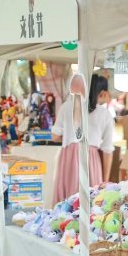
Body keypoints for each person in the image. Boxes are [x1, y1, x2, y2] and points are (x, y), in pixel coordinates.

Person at [51, 75, 115, 204]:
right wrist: (105, 180)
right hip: (91, 158)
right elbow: (108, 150)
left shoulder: (67, 106)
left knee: (67, 202)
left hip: (68, 156)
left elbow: (55, 136)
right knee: (90, 200)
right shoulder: (105, 114)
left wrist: (71, 137)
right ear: (102, 93)